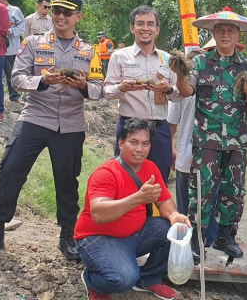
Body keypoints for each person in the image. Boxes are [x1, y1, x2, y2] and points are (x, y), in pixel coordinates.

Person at [0, 0, 104, 260]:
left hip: (70, 123)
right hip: (34, 117)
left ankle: (67, 237)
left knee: (67, 180)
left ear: (78, 16)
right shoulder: (32, 43)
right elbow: (17, 78)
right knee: (10, 170)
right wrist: (43, 81)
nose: (61, 16)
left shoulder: (89, 51)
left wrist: (82, 86)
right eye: (56, 11)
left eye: (67, 12)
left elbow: (99, 88)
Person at [174, 7, 247, 259]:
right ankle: (196, 241)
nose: (225, 34)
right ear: (214, 34)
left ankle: (226, 236)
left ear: (237, 37)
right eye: (220, 30)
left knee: (233, 190)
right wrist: (180, 73)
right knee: (201, 190)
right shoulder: (200, 62)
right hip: (206, 141)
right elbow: (186, 91)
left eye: (230, 31)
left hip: (236, 141)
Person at [75, 118, 189, 300]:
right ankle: (93, 282)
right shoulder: (106, 173)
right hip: (99, 239)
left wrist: (174, 215)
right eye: (133, 142)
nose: (139, 149)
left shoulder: (150, 167)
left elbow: (164, 200)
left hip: (135, 234)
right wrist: (138, 198)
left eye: (145, 144)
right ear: (121, 143)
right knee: (122, 279)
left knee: (176, 229)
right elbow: (98, 213)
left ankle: (149, 278)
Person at [104, 6, 181, 183]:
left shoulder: (168, 59)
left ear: (157, 29)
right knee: (126, 180)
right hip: (129, 126)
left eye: (150, 24)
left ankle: (156, 212)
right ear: (132, 28)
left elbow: (179, 96)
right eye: (140, 24)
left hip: (160, 129)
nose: (145, 28)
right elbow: (107, 92)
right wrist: (121, 88)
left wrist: (168, 89)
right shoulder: (120, 56)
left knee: (159, 180)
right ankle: (131, 211)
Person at [168, 46, 220, 247]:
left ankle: (208, 243)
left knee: (211, 203)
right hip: (185, 155)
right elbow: (172, 123)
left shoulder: (217, 88)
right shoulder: (182, 91)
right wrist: (170, 150)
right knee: (184, 205)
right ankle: (186, 244)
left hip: (212, 157)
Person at [0, 0, 25, 104]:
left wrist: (11, 31)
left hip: (10, 47)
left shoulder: (15, 10)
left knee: (11, 72)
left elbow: (22, 27)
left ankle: (14, 95)